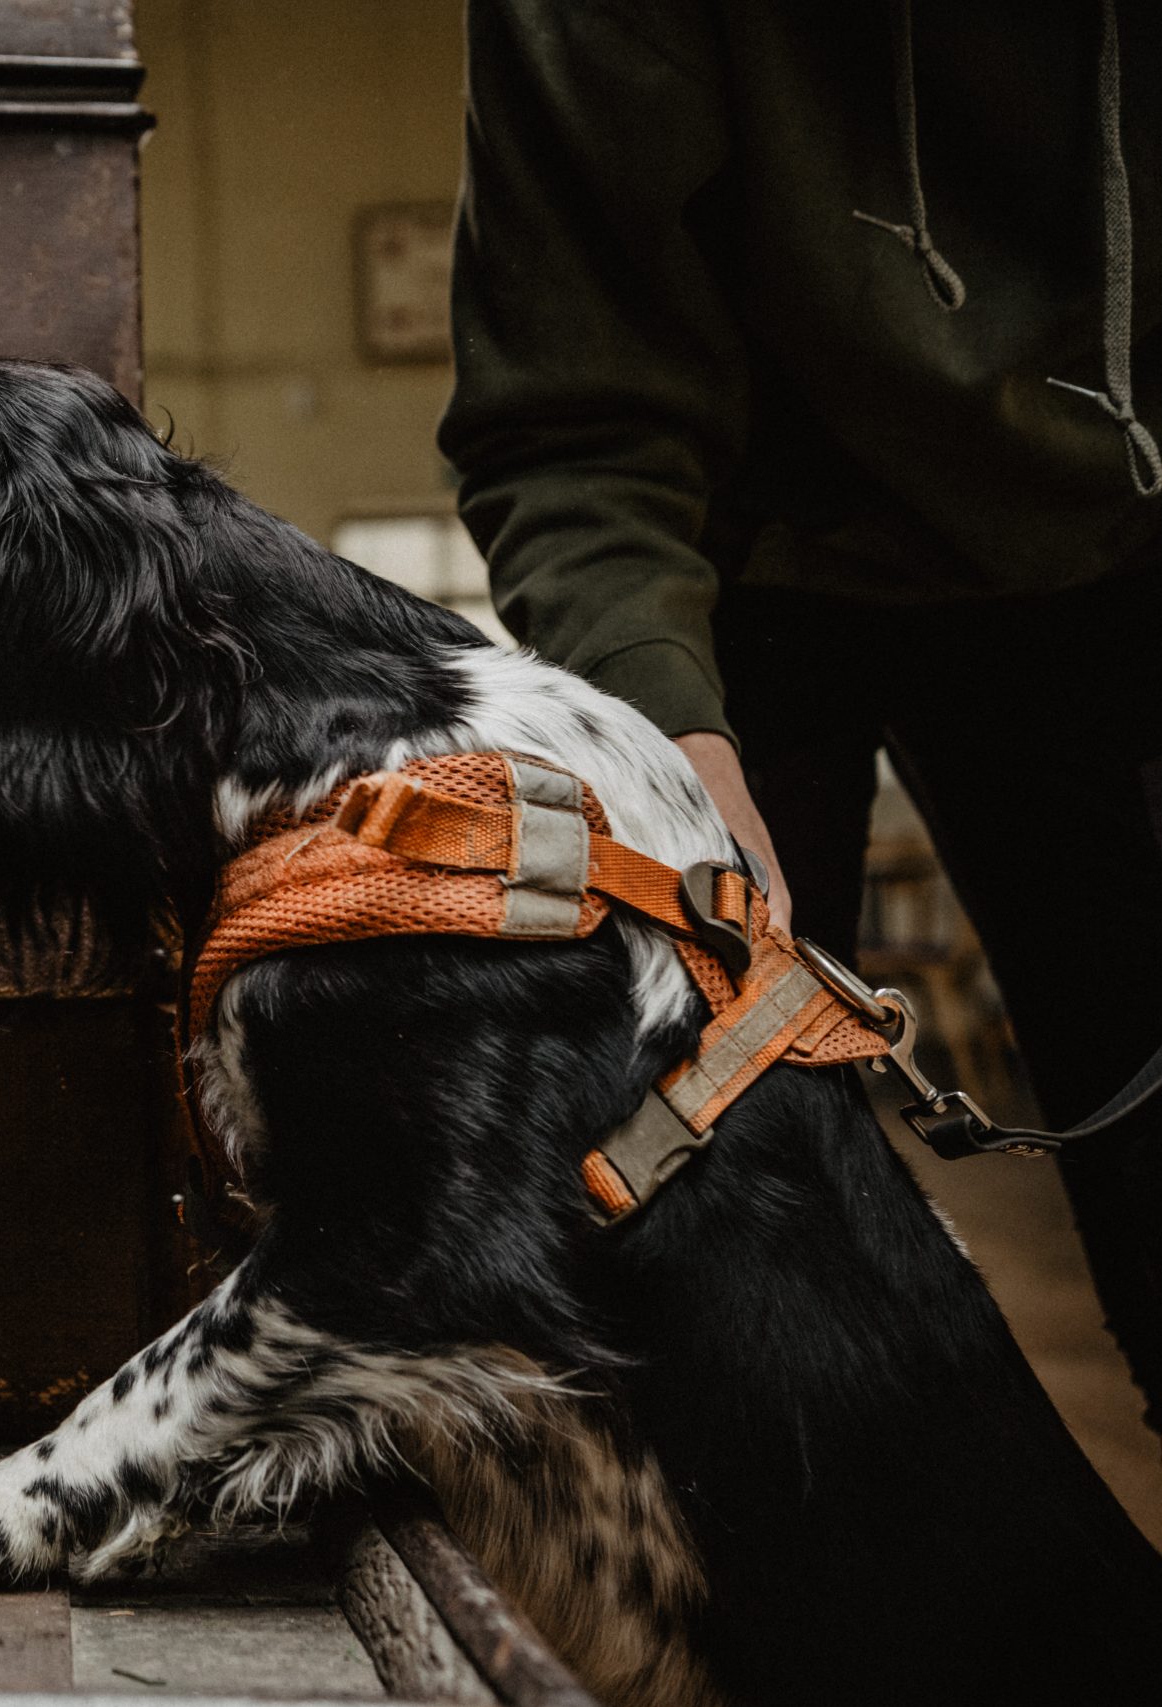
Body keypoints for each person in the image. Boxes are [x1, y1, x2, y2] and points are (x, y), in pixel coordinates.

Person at [439, 0, 1162, 1430]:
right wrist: (664, 749)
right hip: (732, 569)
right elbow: (569, 428)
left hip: (1120, 558)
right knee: (723, 1260)